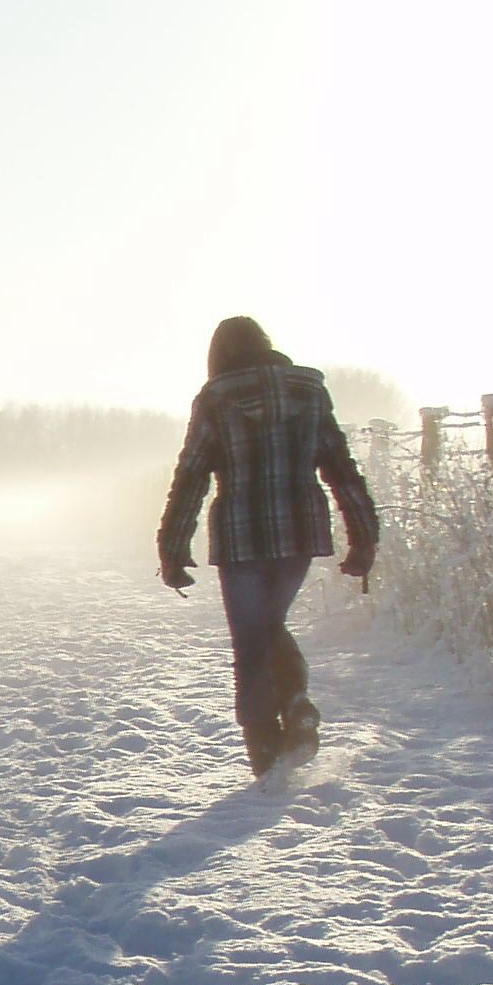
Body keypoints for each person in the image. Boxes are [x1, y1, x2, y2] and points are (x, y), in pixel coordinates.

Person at [159, 317, 382, 777]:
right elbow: (341, 468)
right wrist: (363, 537)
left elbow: (191, 476)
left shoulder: (216, 398)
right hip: (299, 532)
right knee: (267, 625)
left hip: (241, 537)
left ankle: (266, 752)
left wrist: (172, 546)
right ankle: (295, 704)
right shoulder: (309, 393)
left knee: (251, 637)